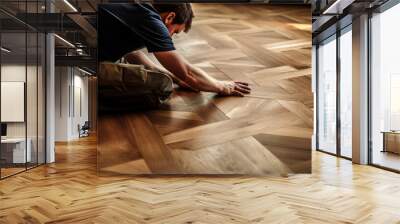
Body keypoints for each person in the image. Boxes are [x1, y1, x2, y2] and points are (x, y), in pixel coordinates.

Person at [98, 3, 251, 111]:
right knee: (161, 85)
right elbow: (189, 73)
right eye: (174, 32)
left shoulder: (137, 10)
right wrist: (222, 86)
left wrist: (177, 78)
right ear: (170, 17)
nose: (170, 37)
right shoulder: (150, 19)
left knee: (132, 64)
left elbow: (133, 54)